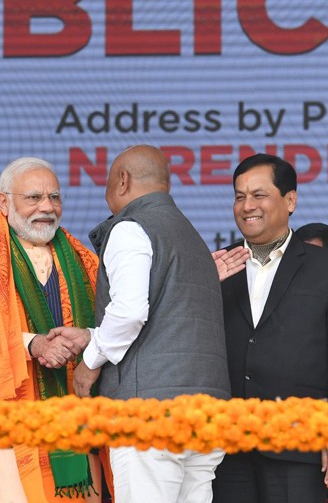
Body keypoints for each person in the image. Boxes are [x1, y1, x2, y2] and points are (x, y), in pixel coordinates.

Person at [57, 145, 231, 503]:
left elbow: (129, 313)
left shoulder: (131, 228)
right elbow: (165, 318)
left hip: (150, 413)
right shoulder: (192, 236)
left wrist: (91, 360)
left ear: (123, 181)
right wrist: (92, 335)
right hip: (208, 413)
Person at [0, 157, 102, 502]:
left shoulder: (82, 259)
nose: (47, 207)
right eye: (34, 197)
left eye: (54, 197)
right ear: (4, 203)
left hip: (70, 423)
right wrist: (33, 345)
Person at [213, 154, 328, 503]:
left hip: (298, 444)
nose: (247, 206)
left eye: (258, 195)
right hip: (228, 446)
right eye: (239, 196)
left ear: (290, 200)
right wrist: (202, 288)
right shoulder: (217, 265)